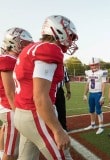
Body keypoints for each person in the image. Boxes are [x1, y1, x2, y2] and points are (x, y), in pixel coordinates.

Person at [13, 15, 78, 160]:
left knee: (26, 158)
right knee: (62, 156)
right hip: (35, 114)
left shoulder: (30, 48)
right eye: (71, 35)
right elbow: (40, 97)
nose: (71, 40)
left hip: (21, 113)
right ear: (59, 31)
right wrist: (58, 130)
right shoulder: (50, 49)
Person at [0, 27, 33, 160]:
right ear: (14, 43)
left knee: (5, 132)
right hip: (10, 107)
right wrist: (18, 113)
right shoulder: (8, 59)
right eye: (24, 44)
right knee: (12, 151)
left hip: (7, 106)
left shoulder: (10, 59)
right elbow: (10, 91)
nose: (26, 47)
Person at [83, 57, 107, 135]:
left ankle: (101, 126)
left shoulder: (102, 72)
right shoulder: (88, 72)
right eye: (92, 65)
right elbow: (87, 84)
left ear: (99, 64)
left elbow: (103, 84)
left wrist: (103, 96)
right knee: (91, 110)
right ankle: (92, 124)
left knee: (98, 110)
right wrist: (85, 94)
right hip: (91, 93)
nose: (94, 67)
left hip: (98, 93)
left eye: (95, 65)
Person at [55, 66, 71, 131]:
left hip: (59, 91)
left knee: (61, 110)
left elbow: (66, 81)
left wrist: (68, 91)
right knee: (48, 109)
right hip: (48, 90)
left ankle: (63, 127)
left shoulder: (63, 68)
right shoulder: (46, 64)